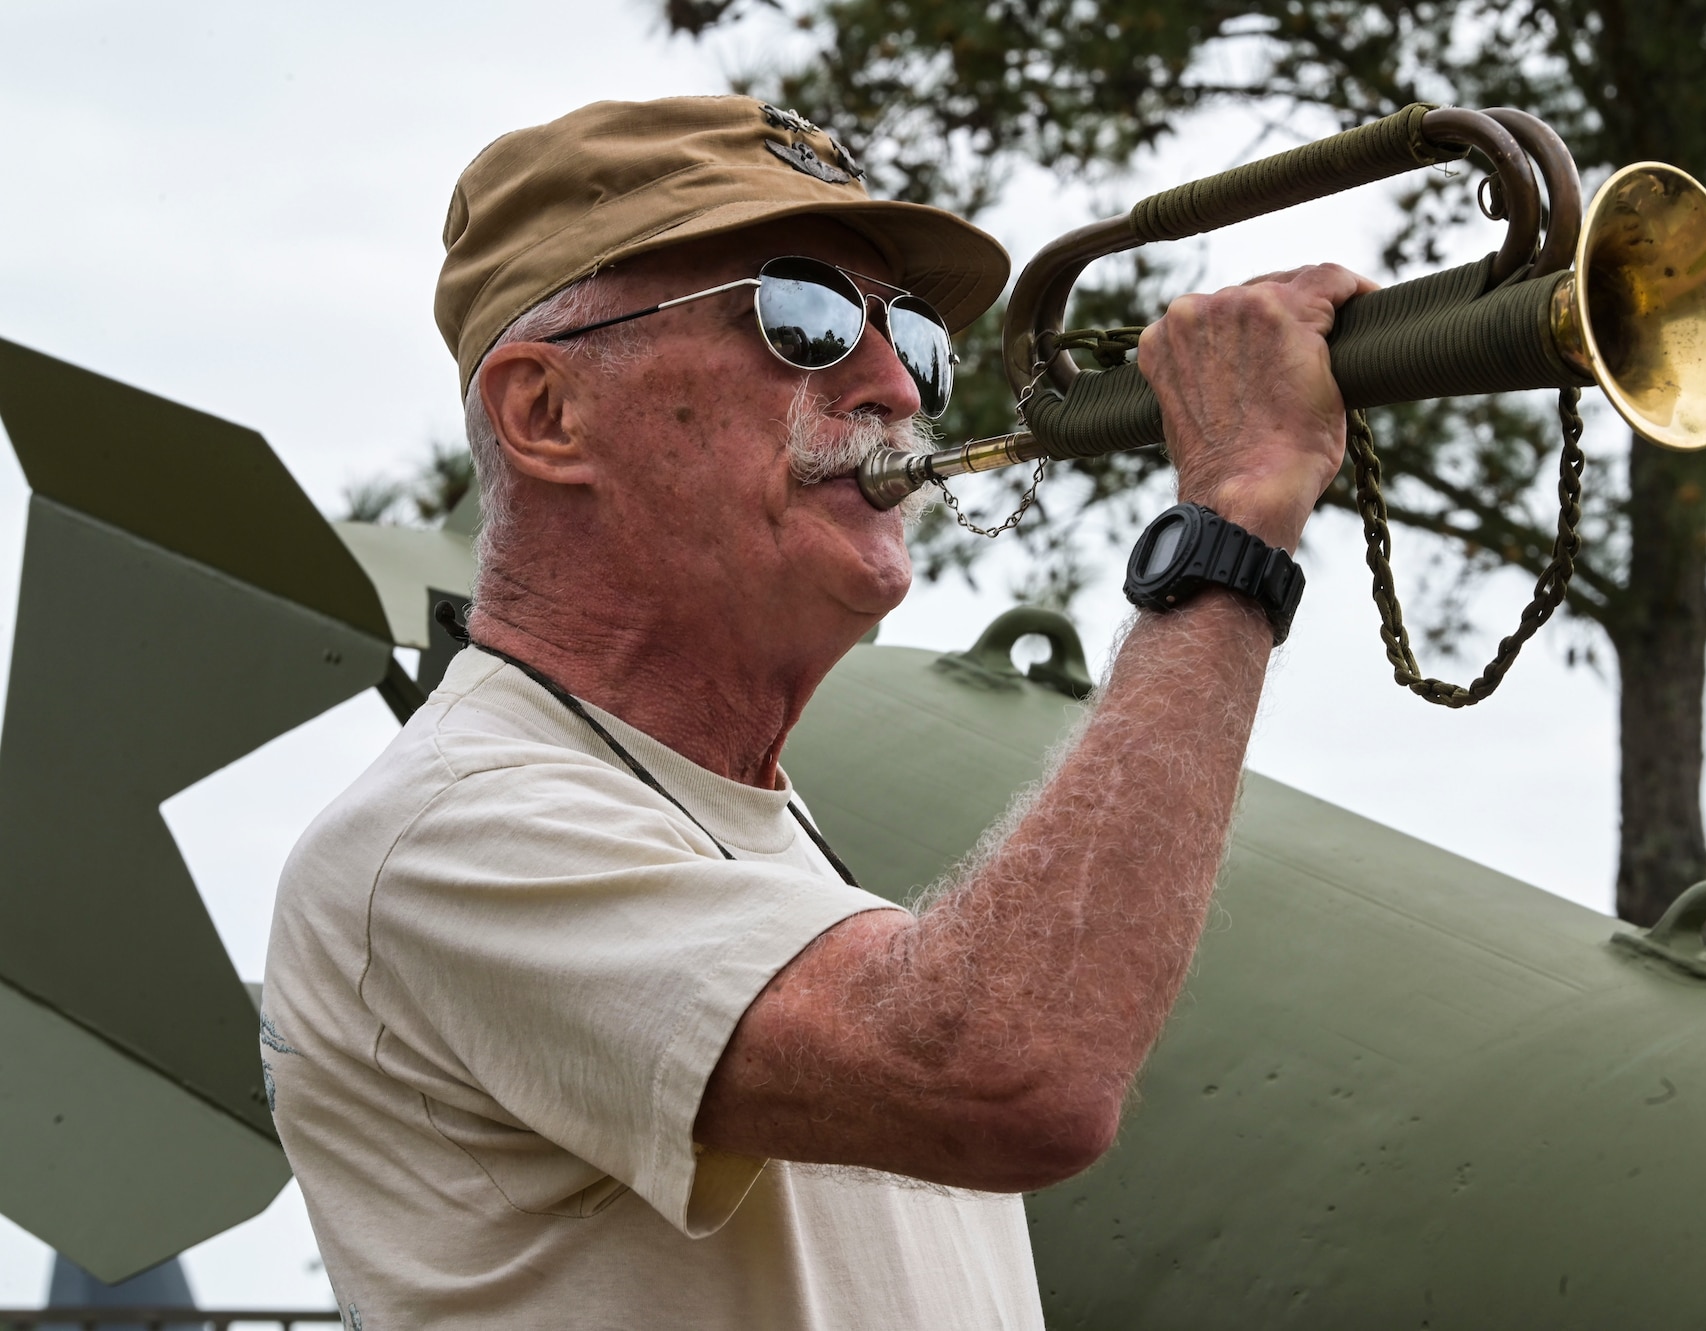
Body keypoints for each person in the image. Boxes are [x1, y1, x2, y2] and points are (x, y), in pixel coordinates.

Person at [262, 94, 1369, 1330]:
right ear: (547, 414)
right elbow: (1013, 1067)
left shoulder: (739, 830)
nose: (897, 382)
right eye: (803, 317)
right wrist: (1226, 529)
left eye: (914, 336)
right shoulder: (447, 831)